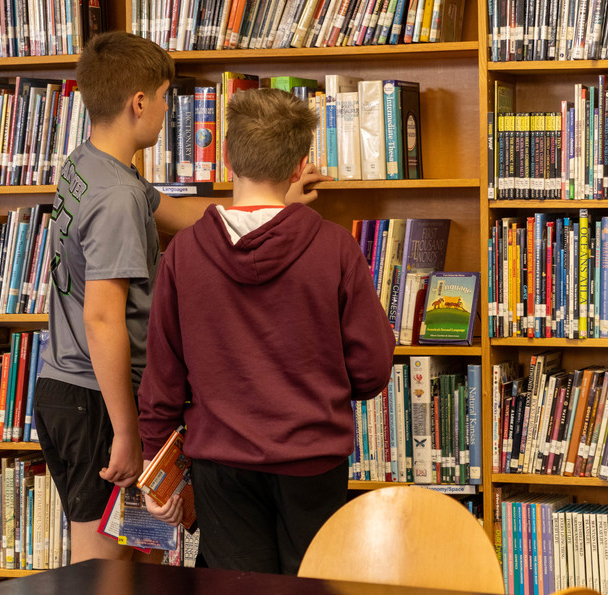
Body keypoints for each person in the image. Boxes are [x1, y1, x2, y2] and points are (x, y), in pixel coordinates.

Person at [32, 33, 326, 564]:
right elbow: (102, 318)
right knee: (104, 568)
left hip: (74, 387)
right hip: (99, 398)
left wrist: (270, 198)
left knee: (144, 553)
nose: (169, 110)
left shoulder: (91, 167)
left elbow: (181, 216)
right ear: (138, 102)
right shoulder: (118, 197)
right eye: (166, 97)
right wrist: (127, 433)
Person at [139, 87, 396, 575]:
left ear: (228, 159)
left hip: (221, 465)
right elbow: (371, 370)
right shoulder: (335, 248)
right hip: (313, 461)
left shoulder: (184, 254)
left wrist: (156, 467)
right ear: (300, 167)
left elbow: (163, 378)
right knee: (316, 581)